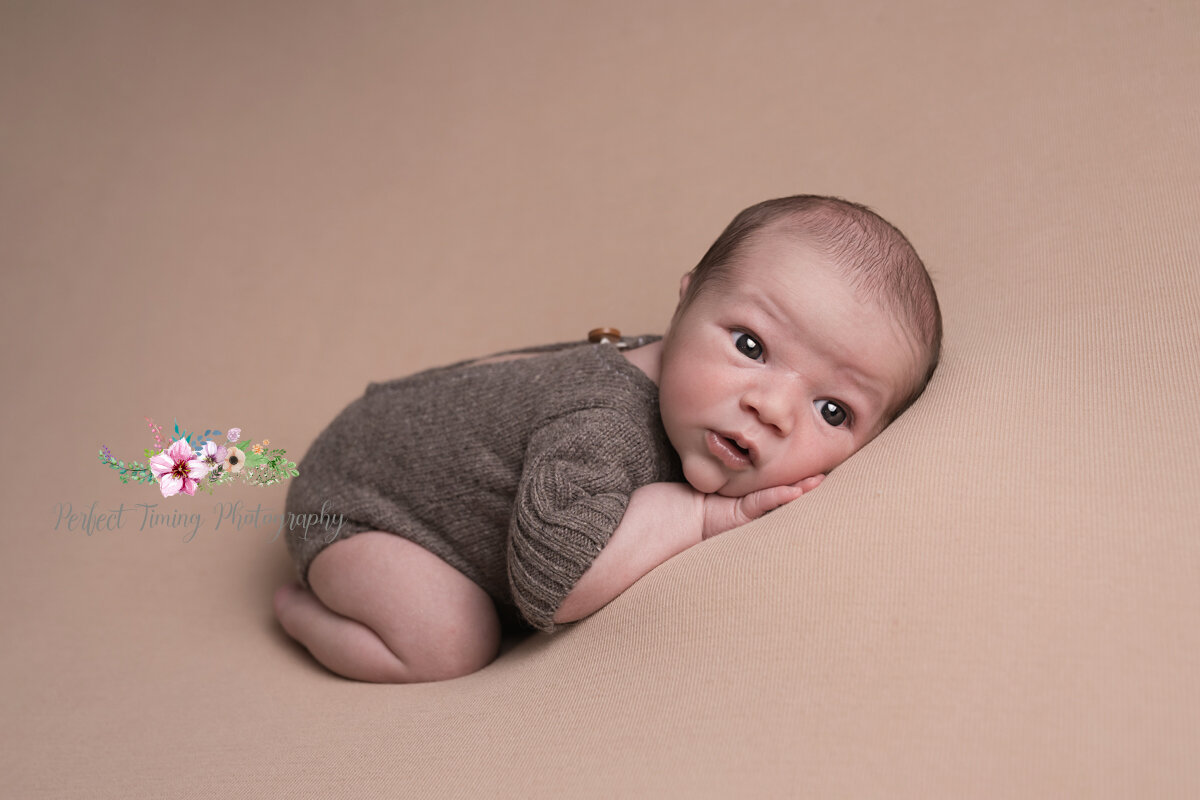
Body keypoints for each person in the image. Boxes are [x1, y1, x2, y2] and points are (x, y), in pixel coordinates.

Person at [273, 194, 942, 683]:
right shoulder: (601, 427)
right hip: (359, 502)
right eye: (750, 344)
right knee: (452, 642)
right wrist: (702, 515)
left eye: (832, 410)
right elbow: (550, 586)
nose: (773, 409)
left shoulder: (692, 388)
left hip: (422, 449)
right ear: (684, 305)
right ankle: (301, 612)